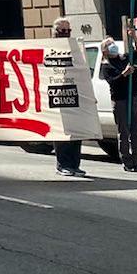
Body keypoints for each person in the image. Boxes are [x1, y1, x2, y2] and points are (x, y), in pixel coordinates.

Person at [100, 36, 137, 172]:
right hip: (120, 99)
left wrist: (134, 37)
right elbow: (112, 82)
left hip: (133, 96)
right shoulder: (107, 66)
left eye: (113, 43)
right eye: (109, 45)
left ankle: (136, 161)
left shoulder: (124, 58)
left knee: (135, 130)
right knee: (124, 131)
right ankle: (127, 161)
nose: (113, 46)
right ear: (105, 50)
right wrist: (124, 74)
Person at [50, 17, 86, 179]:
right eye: (62, 31)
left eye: (68, 31)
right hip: (57, 94)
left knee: (76, 132)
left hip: (74, 94)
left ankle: (74, 164)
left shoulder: (75, 48)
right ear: (54, 32)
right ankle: (62, 164)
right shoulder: (48, 47)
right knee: (62, 132)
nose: (65, 34)